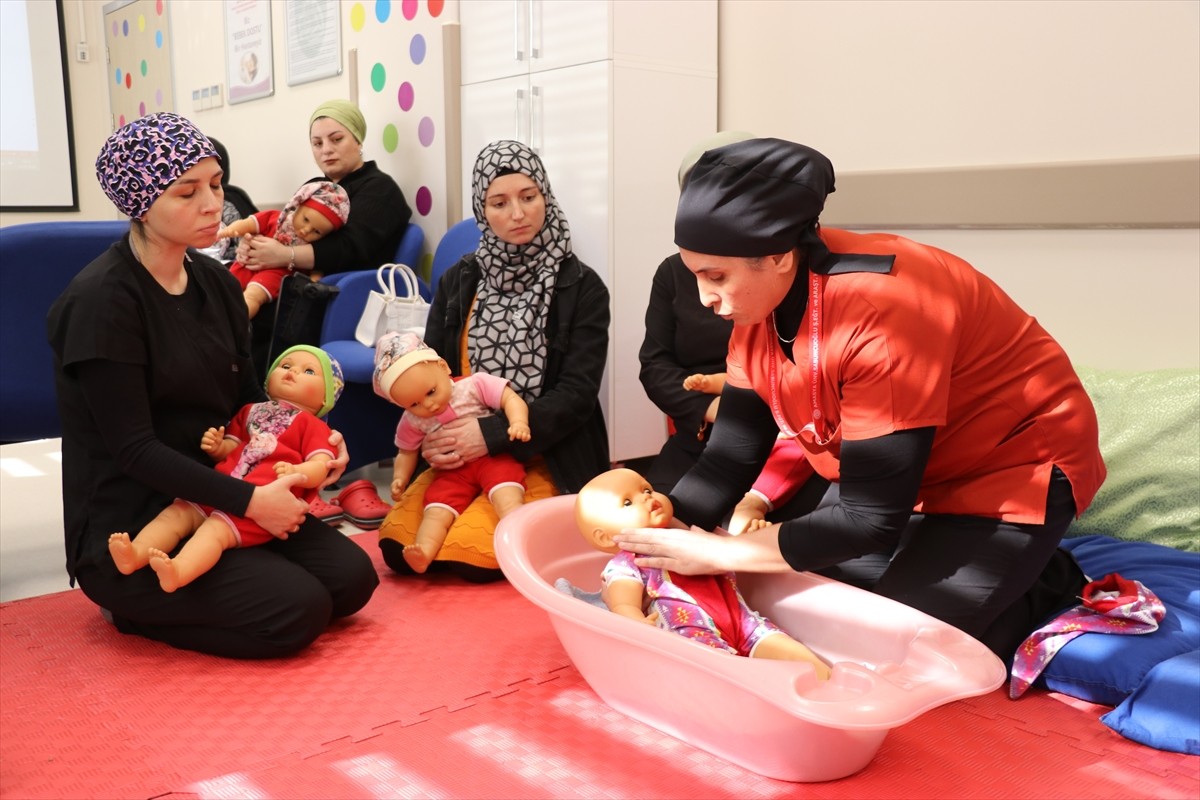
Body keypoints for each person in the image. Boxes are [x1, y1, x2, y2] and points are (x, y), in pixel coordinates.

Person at [613, 137, 1106, 664]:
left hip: (1013, 468)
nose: (705, 297)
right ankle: (1002, 571)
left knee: (896, 648)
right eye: (694, 274)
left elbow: (869, 520)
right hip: (909, 473)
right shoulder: (761, 301)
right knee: (809, 596)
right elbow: (731, 455)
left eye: (716, 277)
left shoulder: (881, 312)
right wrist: (657, 537)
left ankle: (1047, 580)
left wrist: (723, 551)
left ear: (778, 256)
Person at [47, 112, 378, 659]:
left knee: (352, 581)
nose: (212, 204)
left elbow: (247, 401)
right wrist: (252, 501)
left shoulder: (216, 285)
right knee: (298, 612)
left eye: (217, 185)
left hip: (224, 487)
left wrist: (310, 444)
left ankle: (239, 564)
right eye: (187, 192)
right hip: (139, 523)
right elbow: (133, 449)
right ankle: (127, 606)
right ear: (141, 203)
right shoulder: (101, 303)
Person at [377, 139, 611, 582]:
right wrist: (433, 440)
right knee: (398, 547)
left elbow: (577, 395)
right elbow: (432, 372)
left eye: (529, 197)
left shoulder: (582, 286)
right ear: (482, 211)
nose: (517, 214)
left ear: (546, 195)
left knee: (470, 558)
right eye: (499, 203)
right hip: (459, 449)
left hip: (542, 448)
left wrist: (491, 434)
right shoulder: (459, 279)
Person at [108, 346, 345, 592]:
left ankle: (180, 570)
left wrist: (299, 471)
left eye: (308, 371)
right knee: (176, 513)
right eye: (285, 365)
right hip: (222, 486)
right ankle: (135, 553)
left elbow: (321, 464)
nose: (292, 371)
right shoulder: (251, 410)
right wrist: (218, 447)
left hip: (264, 506)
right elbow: (234, 446)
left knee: (214, 532)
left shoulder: (314, 426)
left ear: (326, 398)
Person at [576, 468, 830, 676]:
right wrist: (637, 624)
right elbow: (623, 604)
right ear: (605, 537)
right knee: (731, 676)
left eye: (647, 490)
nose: (645, 498)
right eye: (628, 502)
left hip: (745, 623)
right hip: (692, 633)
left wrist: (752, 537)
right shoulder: (629, 562)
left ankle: (829, 683)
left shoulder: (694, 537)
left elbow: (732, 555)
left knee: (796, 656)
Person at [638, 132, 753, 494]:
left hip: (783, 441)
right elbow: (655, 368)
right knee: (654, 511)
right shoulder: (674, 273)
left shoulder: (779, 265)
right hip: (703, 432)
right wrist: (712, 407)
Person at [373, 331, 531, 573]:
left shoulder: (473, 385)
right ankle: (424, 551)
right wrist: (399, 478)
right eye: (414, 404)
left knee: (506, 494)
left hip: (492, 458)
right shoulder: (412, 420)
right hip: (452, 471)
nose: (428, 405)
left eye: (431, 392)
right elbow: (406, 451)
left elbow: (510, 399)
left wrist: (518, 422)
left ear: (443, 367)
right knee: (436, 510)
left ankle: (520, 536)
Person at [234, 99, 412, 278]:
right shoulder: (314, 187)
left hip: (349, 287)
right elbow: (285, 228)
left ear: (358, 141)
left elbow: (349, 248)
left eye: (337, 139)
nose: (326, 150)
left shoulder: (380, 188)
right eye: (317, 143)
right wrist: (252, 247)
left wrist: (285, 255)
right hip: (293, 281)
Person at [219, 180, 350, 318]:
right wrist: (227, 232)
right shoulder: (275, 218)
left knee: (253, 296)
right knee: (224, 287)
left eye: (317, 231)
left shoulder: (314, 246)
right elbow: (248, 223)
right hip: (247, 265)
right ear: (298, 205)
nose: (306, 230)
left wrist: (314, 282)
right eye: (305, 220)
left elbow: (318, 267)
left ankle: (234, 322)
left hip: (276, 274)